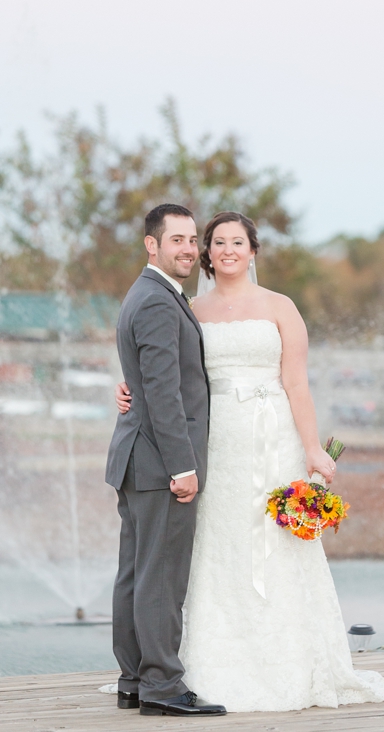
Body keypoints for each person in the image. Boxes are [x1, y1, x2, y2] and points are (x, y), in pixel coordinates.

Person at [113, 208, 384, 713]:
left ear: (253, 250)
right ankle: (187, 666)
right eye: (216, 242)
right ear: (205, 252)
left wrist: (312, 449)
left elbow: (297, 384)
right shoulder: (189, 306)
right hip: (211, 442)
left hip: (272, 438)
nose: (226, 250)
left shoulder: (280, 307)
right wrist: (128, 389)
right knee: (210, 546)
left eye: (236, 242)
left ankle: (280, 658)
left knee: (272, 541)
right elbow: (166, 370)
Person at [105, 203, 226, 716]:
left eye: (192, 239)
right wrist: (183, 466)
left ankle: (133, 679)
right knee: (161, 575)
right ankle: (162, 685)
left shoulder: (150, 294)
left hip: (137, 458)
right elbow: (161, 390)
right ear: (152, 245)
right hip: (159, 463)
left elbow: (148, 379)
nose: (189, 249)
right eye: (177, 239)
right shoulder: (157, 300)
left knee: (136, 571)